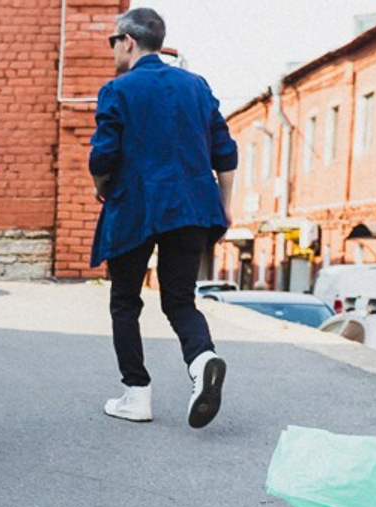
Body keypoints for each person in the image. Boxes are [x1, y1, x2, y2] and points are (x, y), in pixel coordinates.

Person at [90, 7, 237, 428]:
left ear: (128, 41)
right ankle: (202, 361)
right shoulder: (196, 86)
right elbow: (225, 152)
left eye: (113, 41)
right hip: (191, 208)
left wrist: (102, 186)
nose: (113, 49)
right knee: (179, 299)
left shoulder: (117, 90)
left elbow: (104, 155)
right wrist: (224, 205)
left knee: (125, 301)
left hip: (135, 207)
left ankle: (137, 394)